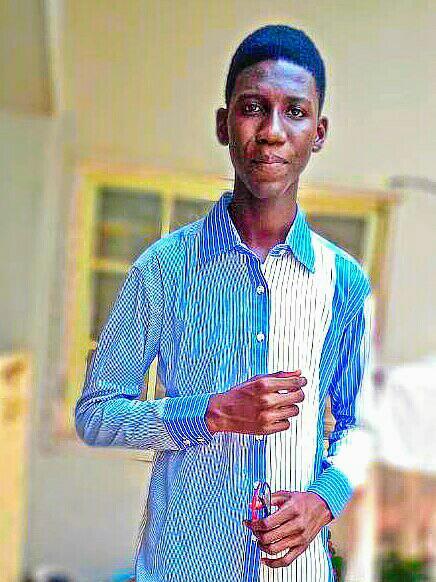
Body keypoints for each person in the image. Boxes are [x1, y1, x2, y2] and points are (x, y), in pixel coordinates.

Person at [75, 24, 373, 582]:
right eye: (253, 108)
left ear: (318, 132)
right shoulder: (163, 269)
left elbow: (362, 426)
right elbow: (95, 416)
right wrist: (210, 413)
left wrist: (325, 498)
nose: (272, 132)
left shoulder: (344, 282)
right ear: (223, 124)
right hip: (183, 566)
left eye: (295, 112)